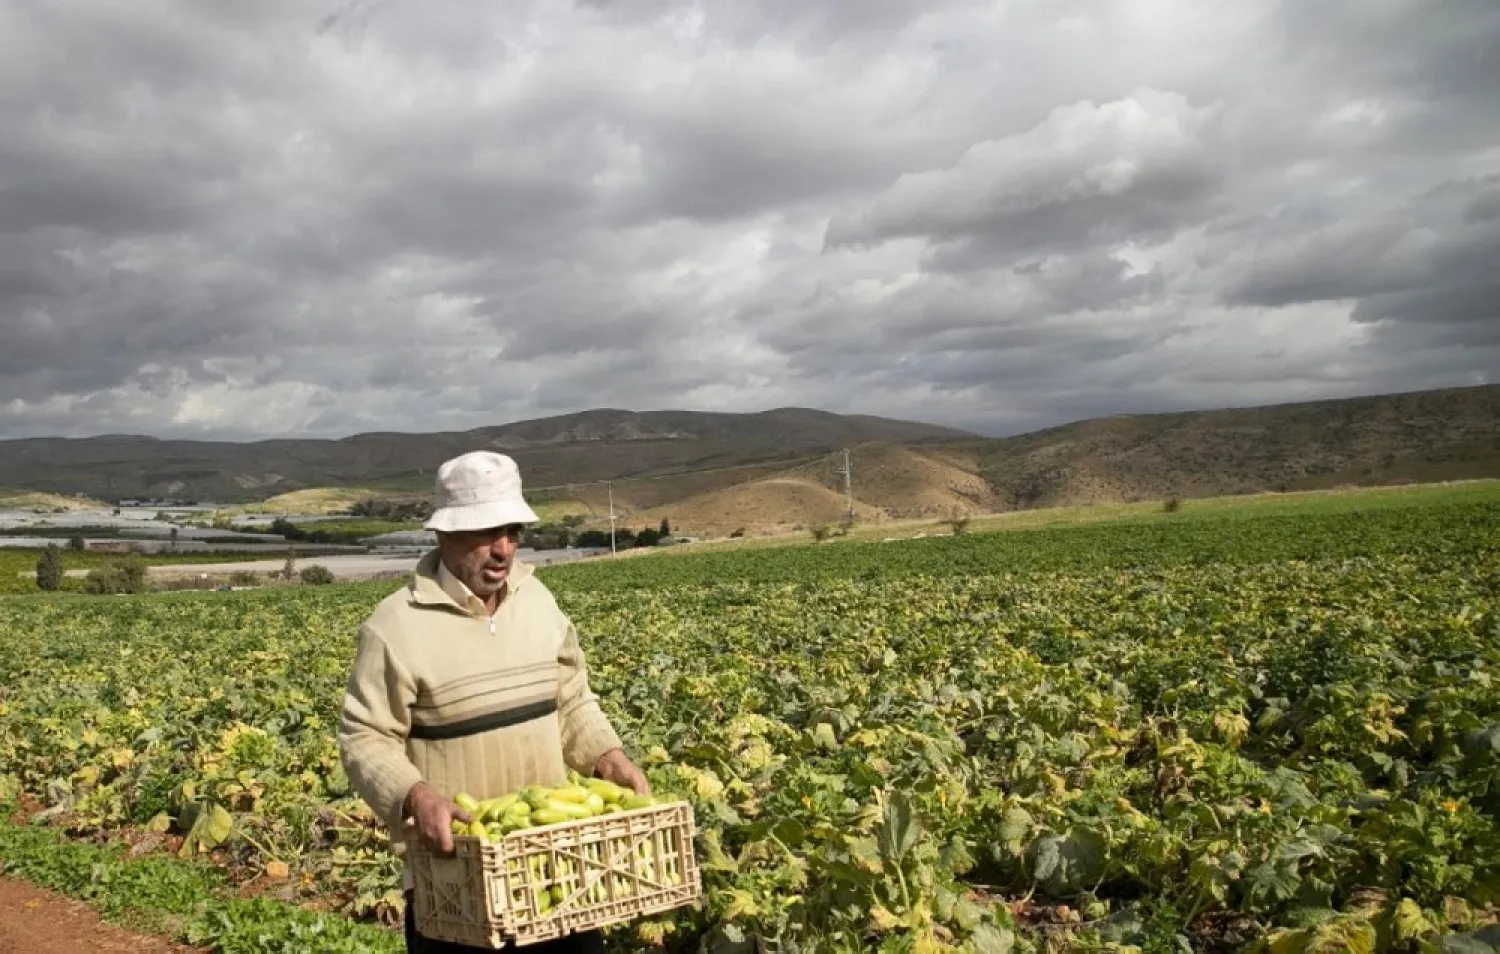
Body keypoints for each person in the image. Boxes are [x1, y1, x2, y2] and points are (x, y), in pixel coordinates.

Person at [337, 450, 648, 953]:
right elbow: (365, 738)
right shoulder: (395, 627)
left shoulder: (539, 602)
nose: (503, 549)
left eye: (512, 532)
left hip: (557, 870)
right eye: (485, 533)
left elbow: (570, 700)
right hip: (457, 883)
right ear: (444, 533)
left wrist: (606, 757)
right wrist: (416, 796)